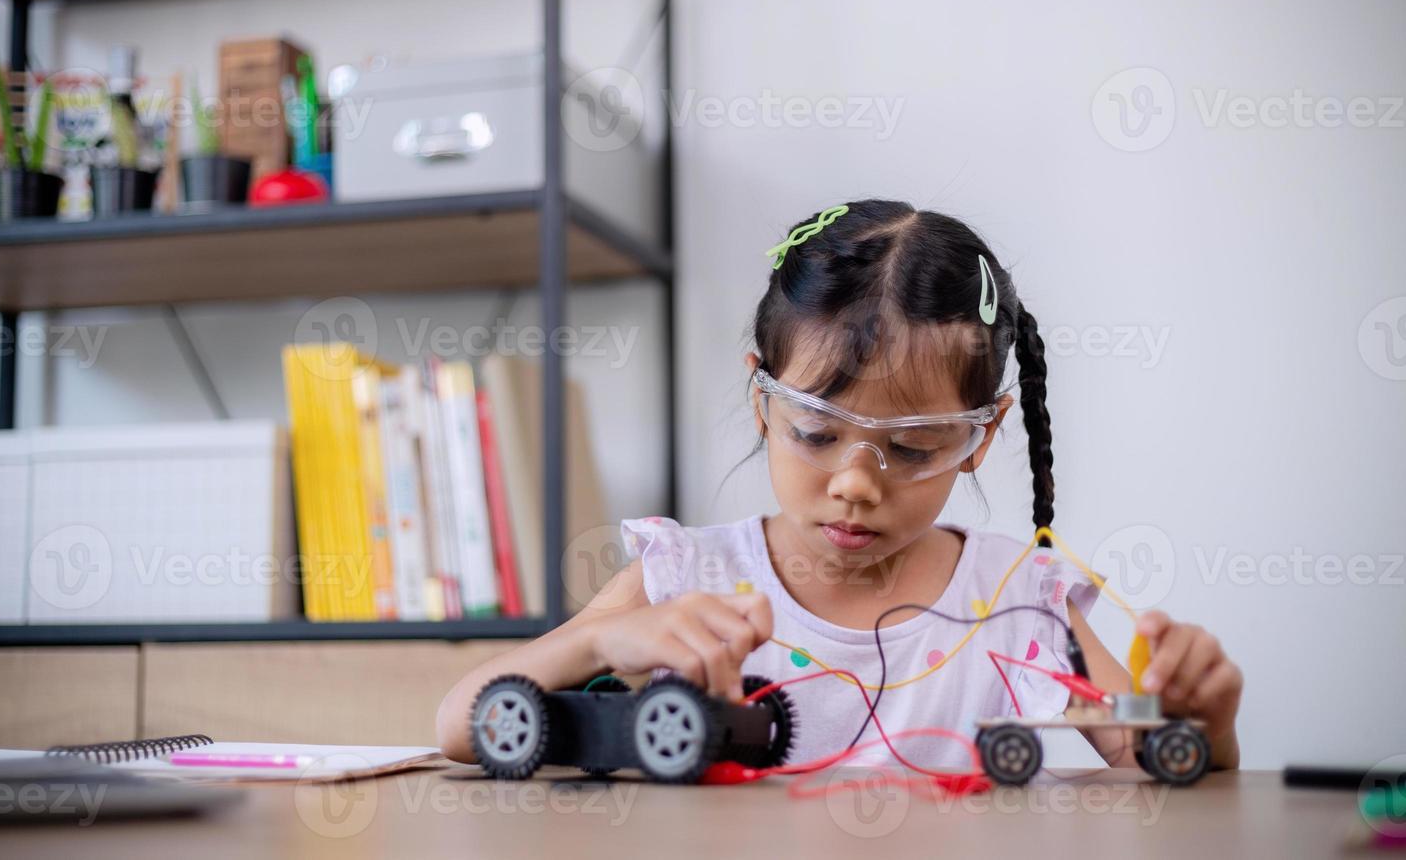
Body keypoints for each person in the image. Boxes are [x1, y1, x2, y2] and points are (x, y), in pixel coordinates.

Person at [436, 200, 1242, 771]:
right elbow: (459, 725)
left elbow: (1146, 747)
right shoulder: (685, 580)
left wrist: (1203, 722)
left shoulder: (1018, 600)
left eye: (914, 445)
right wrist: (602, 641)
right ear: (763, 401)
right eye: (818, 435)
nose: (856, 483)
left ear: (977, 439)